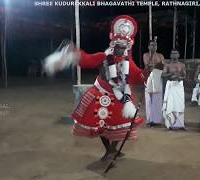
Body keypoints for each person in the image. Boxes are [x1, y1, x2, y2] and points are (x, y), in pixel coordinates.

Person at [44, 15, 145, 160]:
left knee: (121, 125)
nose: (119, 49)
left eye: (123, 47)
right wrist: (74, 54)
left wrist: (151, 71)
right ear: (113, 45)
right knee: (100, 126)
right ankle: (108, 150)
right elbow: (86, 60)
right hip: (100, 94)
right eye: (117, 45)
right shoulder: (103, 57)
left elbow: (138, 76)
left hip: (120, 97)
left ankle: (113, 149)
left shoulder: (128, 62)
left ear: (126, 48)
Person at [162, 50, 187, 130]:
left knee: (179, 105)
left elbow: (185, 76)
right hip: (171, 86)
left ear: (179, 55)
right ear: (170, 55)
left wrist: (180, 78)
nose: (174, 55)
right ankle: (170, 124)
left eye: (176, 53)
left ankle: (180, 124)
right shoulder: (167, 65)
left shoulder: (182, 65)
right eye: (172, 53)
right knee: (171, 105)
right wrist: (171, 74)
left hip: (179, 86)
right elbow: (163, 74)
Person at [143, 39, 165, 126]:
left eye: (155, 45)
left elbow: (162, 67)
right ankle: (150, 120)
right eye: (152, 45)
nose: (153, 47)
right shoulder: (146, 55)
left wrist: (154, 66)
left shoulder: (160, 56)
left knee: (157, 99)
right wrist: (152, 57)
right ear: (148, 46)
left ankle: (156, 120)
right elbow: (147, 65)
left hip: (158, 78)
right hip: (148, 78)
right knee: (149, 100)